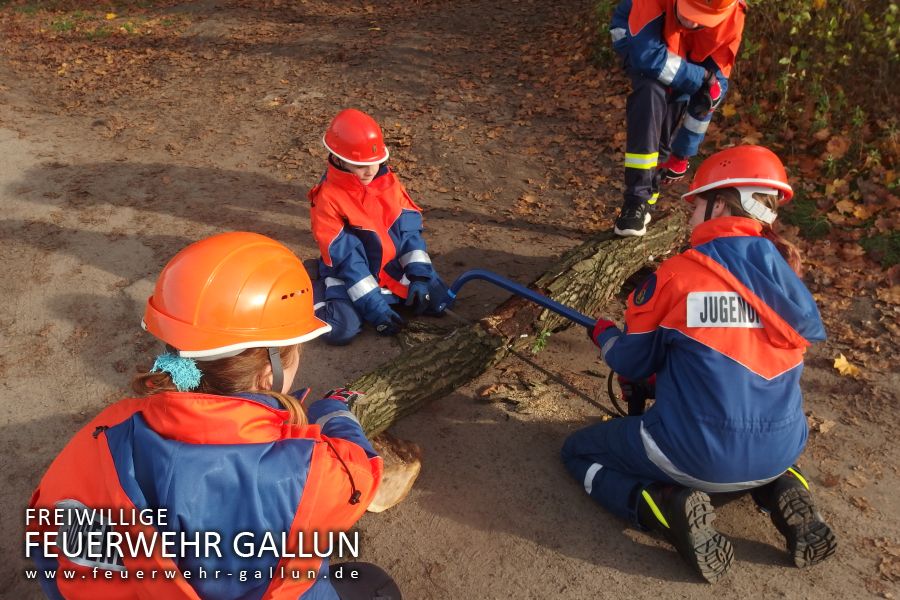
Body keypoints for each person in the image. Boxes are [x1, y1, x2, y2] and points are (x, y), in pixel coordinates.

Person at [26, 232, 400, 599]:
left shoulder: (104, 432)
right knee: (373, 585)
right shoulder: (310, 467)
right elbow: (361, 475)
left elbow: (48, 549)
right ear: (268, 372)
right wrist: (333, 412)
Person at [562, 146, 837, 582]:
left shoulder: (677, 274)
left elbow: (631, 365)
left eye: (694, 204)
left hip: (693, 454)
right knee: (760, 445)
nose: (689, 215)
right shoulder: (787, 274)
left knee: (577, 451)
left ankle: (666, 507)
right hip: (783, 447)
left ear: (721, 203)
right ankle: (784, 486)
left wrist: (605, 335)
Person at [308, 108, 450, 345]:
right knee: (340, 331)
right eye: (360, 165)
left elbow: (410, 233)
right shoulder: (328, 198)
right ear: (339, 159)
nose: (370, 171)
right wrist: (373, 306)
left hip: (391, 266)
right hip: (350, 273)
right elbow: (348, 261)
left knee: (440, 302)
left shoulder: (389, 182)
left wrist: (419, 276)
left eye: (375, 162)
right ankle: (316, 285)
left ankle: (392, 297)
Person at [610, 0, 747, 236]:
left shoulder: (733, 16)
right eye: (690, 12)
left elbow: (709, 97)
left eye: (701, 18)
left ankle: (648, 199)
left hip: (685, 58)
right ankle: (635, 201)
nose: (692, 21)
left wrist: (682, 155)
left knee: (673, 113)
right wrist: (701, 77)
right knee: (651, 92)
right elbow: (647, 57)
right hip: (636, 40)